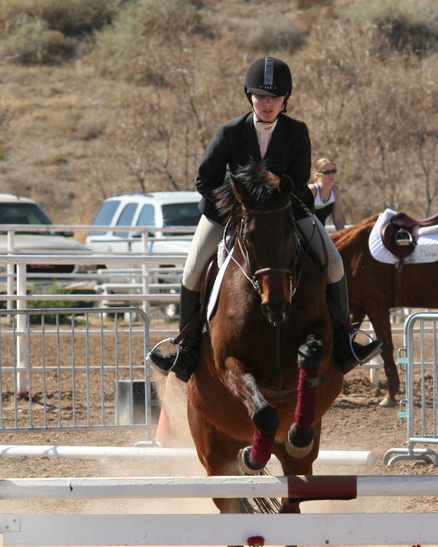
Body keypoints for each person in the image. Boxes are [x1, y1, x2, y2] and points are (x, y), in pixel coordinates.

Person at [149, 56, 380, 382]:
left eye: (274, 97)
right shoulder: (229, 132)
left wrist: (276, 196)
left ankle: (344, 341)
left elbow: (300, 181)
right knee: (191, 272)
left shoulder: (297, 132)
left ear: (285, 99)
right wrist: (237, 204)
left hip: (285, 212)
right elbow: (205, 180)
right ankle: (185, 346)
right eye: (260, 96)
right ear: (249, 96)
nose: (267, 103)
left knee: (335, 265)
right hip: (227, 213)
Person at [307, 158, 346, 231]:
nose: (331, 174)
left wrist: (343, 236)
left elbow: (338, 220)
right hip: (306, 232)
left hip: (321, 232)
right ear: (318, 175)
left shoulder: (335, 190)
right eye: (326, 172)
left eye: (333, 171)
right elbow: (302, 218)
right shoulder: (312, 190)